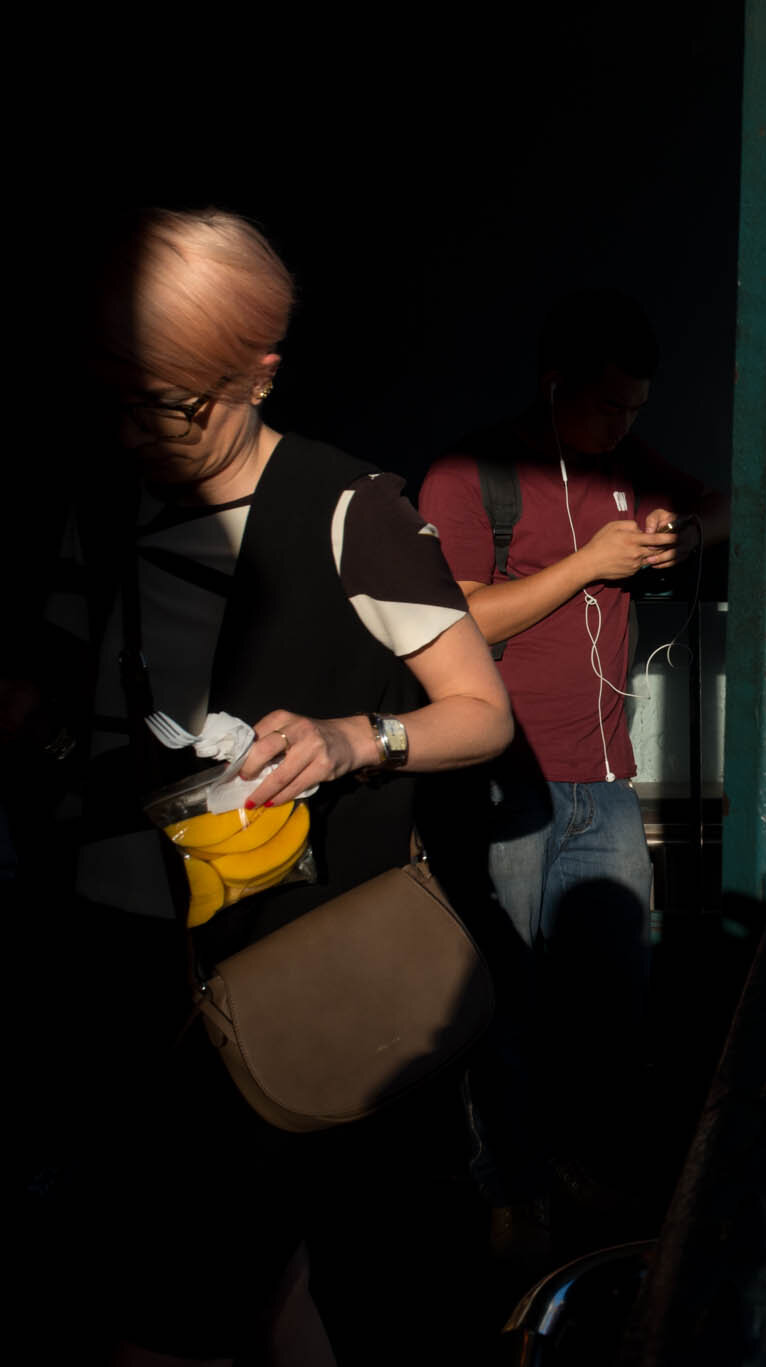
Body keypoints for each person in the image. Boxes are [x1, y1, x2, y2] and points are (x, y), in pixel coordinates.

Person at [57, 208, 513, 1364]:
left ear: (259, 373)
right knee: (231, 1286)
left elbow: (481, 713)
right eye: (123, 396)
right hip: (122, 952)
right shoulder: (105, 499)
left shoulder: (355, 509)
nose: (140, 430)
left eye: (173, 402)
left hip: (297, 962)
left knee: (214, 1297)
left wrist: (361, 737)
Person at [415, 290, 727, 1165]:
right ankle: (506, 1194)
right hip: (500, 781)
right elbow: (462, 619)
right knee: (498, 999)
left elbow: (728, 502)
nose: (622, 426)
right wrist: (590, 563)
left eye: (637, 409)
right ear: (555, 387)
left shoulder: (625, 463)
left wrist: (683, 533)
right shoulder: (469, 472)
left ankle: (594, 1175)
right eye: (607, 406)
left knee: (614, 995)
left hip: (605, 780)